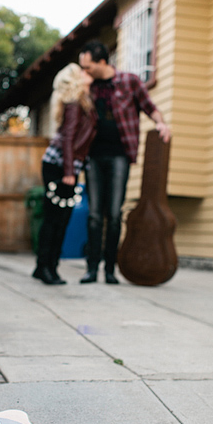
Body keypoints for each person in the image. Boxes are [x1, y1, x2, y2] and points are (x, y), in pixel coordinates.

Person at [77, 40, 171, 284]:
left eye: (87, 67)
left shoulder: (129, 81)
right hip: (94, 156)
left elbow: (150, 107)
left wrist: (160, 123)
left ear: (101, 62)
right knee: (95, 214)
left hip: (120, 155)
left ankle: (110, 269)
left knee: (114, 214)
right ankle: (91, 269)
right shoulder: (87, 86)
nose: (84, 72)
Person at [33, 63, 97, 285]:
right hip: (59, 166)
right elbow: (69, 138)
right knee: (55, 218)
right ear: (75, 78)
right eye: (83, 71)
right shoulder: (73, 104)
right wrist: (69, 172)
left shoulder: (83, 102)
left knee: (62, 218)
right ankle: (45, 267)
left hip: (68, 166)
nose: (87, 72)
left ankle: (46, 266)